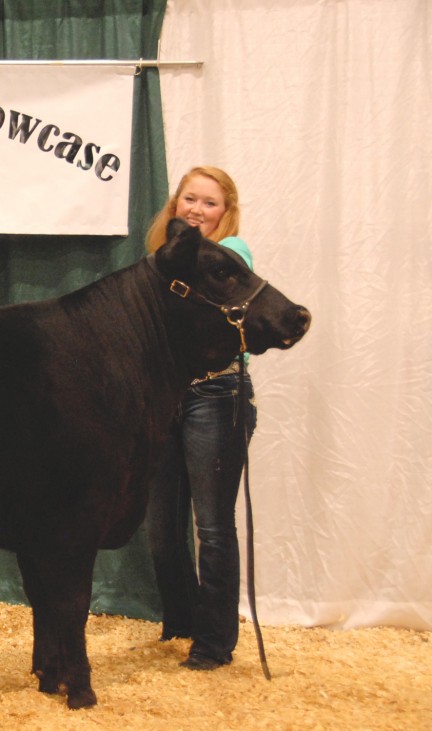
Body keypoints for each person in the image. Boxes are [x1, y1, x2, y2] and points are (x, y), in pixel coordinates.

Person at [144, 166, 257, 671]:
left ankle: (214, 643)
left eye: (210, 203)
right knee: (161, 527)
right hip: (167, 395)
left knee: (211, 526)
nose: (197, 210)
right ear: (176, 205)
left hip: (217, 393)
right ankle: (182, 622)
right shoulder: (160, 258)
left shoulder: (232, 255)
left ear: (225, 211)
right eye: (190, 199)